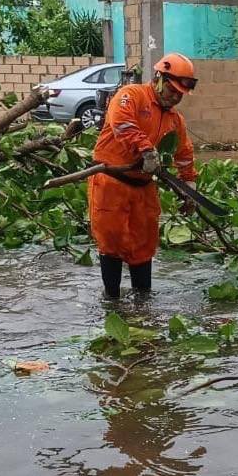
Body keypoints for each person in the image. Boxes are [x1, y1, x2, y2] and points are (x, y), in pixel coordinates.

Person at [89, 53, 197, 298]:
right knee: (112, 241)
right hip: (111, 180)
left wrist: (188, 184)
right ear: (159, 78)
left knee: (144, 243)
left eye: (181, 93)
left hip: (143, 185)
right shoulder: (132, 95)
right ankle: (112, 300)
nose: (176, 97)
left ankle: (143, 300)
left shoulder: (175, 120)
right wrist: (146, 150)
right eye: (173, 90)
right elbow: (122, 123)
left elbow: (184, 153)